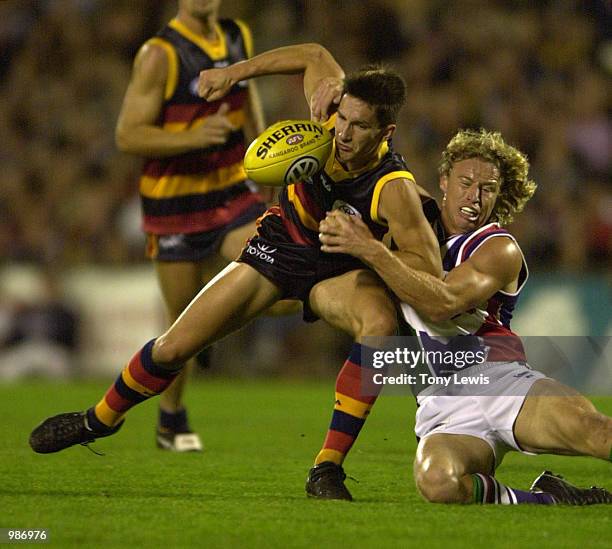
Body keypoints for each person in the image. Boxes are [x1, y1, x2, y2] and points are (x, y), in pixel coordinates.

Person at [28, 43, 442, 498]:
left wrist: (369, 249)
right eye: (342, 117)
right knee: (172, 349)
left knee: (378, 323)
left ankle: (327, 467)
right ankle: (99, 420)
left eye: (359, 126)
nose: (343, 132)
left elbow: (427, 267)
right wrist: (233, 74)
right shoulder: (327, 107)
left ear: (387, 130)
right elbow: (312, 53)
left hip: (339, 270)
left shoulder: (394, 188)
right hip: (279, 248)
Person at [318, 128, 612, 505]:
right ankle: (551, 498)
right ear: (444, 182)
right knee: (437, 482)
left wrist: (370, 249)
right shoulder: (412, 232)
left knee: (596, 433)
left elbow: (443, 303)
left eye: (488, 188)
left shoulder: (498, 246)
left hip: (501, 383)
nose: (475, 196)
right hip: (442, 404)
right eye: (466, 182)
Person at [114, 0, 269, 451]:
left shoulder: (238, 35)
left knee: (273, 270)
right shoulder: (160, 54)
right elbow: (128, 133)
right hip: (174, 205)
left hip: (232, 194)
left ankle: (214, 324)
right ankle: (170, 419)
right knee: (180, 324)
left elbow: (248, 101)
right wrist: (192, 137)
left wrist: (266, 160)